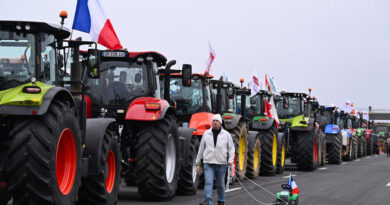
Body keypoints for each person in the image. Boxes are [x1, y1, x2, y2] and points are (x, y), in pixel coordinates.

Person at [196, 114, 235, 205]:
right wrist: (197, 162)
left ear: (220, 123)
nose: (215, 122)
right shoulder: (206, 134)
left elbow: (231, 149)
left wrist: (230, 160)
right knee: (208, 183)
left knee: (221, 185)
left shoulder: (226, 135)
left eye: (217, 121)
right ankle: (208, 202)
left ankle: (221, 201)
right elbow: (201, 149)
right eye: (213, 121)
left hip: (221, 164)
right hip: (208, 163)